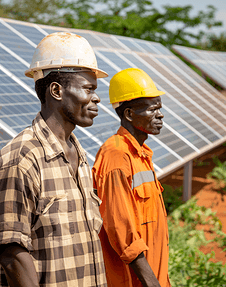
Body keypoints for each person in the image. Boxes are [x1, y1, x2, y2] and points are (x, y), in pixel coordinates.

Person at [0, 32, 108, 287]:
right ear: (57, 90)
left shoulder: (79, 155)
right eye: (88, 88)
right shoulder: (22, 158)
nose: (97, 98)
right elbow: (11, 254)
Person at [93, 68, 171, 287]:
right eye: (152, 109)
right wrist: (150, 282)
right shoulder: (117, 155)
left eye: (160, 108)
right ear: (128, 114)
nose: (160, 114)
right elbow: (121, 229)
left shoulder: (141, 154)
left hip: (153, 276)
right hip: (134, 282)